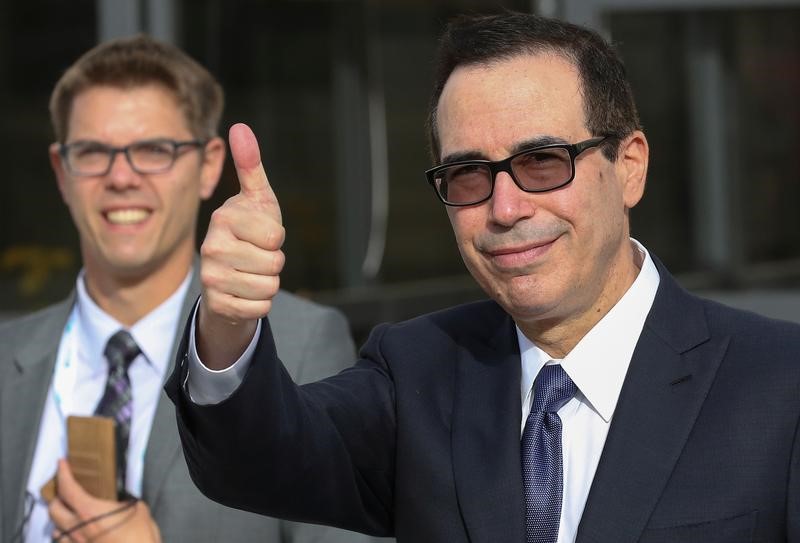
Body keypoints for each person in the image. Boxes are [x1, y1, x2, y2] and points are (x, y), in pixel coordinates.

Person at [167, 11, 800, 543]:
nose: (505, 208)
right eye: (469, 175)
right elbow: (258, 464)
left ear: (629, 166)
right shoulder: (420, 371)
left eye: (543, 162)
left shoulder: (779, 385)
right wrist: (227, 323)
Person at [0, 34, 376, 543]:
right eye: (92, 152)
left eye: (153, 150)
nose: (121, 177)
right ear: (62, 172)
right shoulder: (7, 359)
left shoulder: (302, 345)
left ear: (208, 165)